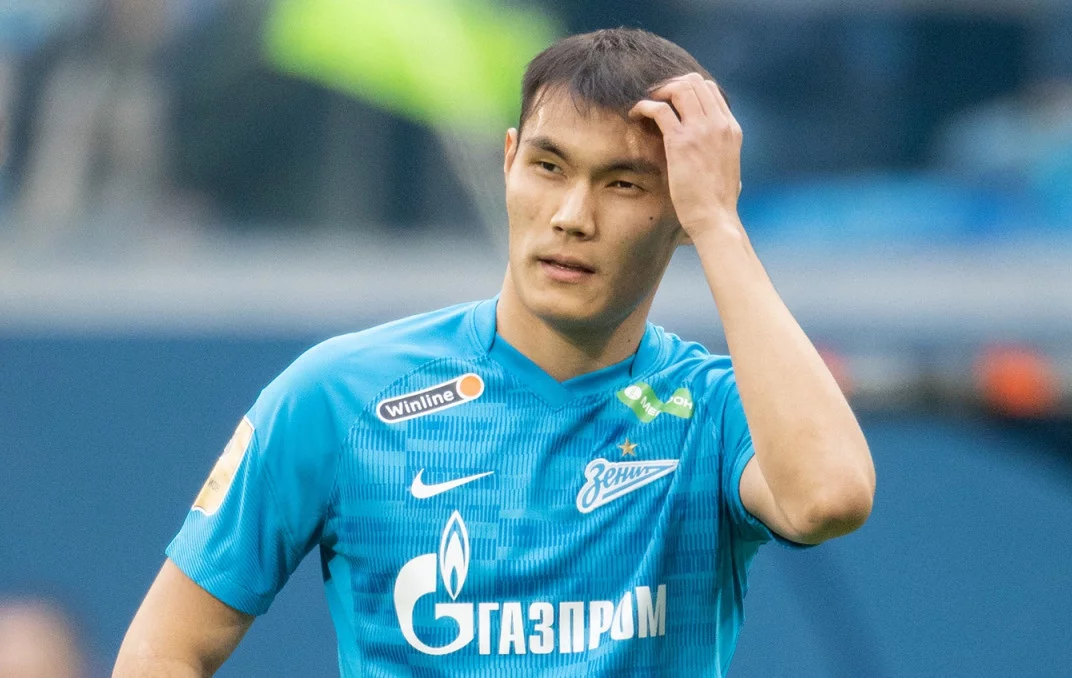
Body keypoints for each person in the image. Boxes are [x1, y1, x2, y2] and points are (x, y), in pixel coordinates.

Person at [113, 28, 874, 677]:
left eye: (622, 184)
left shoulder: (711, 412)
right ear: (508, 162)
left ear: (678, 210)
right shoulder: (337, 396)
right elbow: (161, 652)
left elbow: (829, 498)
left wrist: (720, 225)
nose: (571, 216)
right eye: (549, 167)